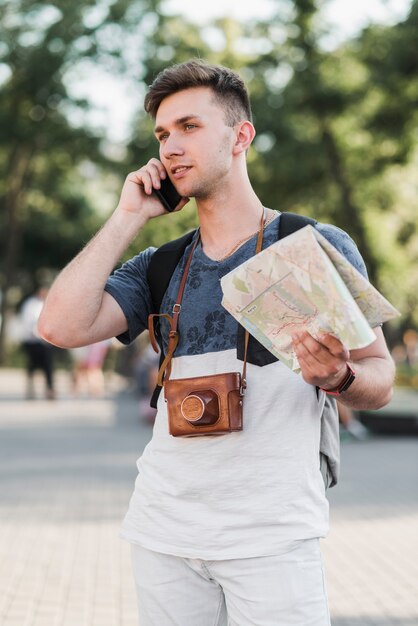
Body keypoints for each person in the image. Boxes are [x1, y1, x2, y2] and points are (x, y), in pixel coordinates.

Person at [38, 60, 395, 625]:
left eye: (189, 126)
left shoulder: (310, 244)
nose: (171, 147)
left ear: (240, 136)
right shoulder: (159, 265)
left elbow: (380, 377)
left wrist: (338, 378)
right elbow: (59, 327)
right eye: (162, 134)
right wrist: (129, 215)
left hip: (273, 542)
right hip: (163, 535)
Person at [20, 287, 55, 400]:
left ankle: (50, 390)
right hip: (33, 341)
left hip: (46, 341)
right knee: (32, 365)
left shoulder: (48, 304)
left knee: (48, 366)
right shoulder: (30, 304)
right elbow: (28, 322)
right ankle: (30, 389)